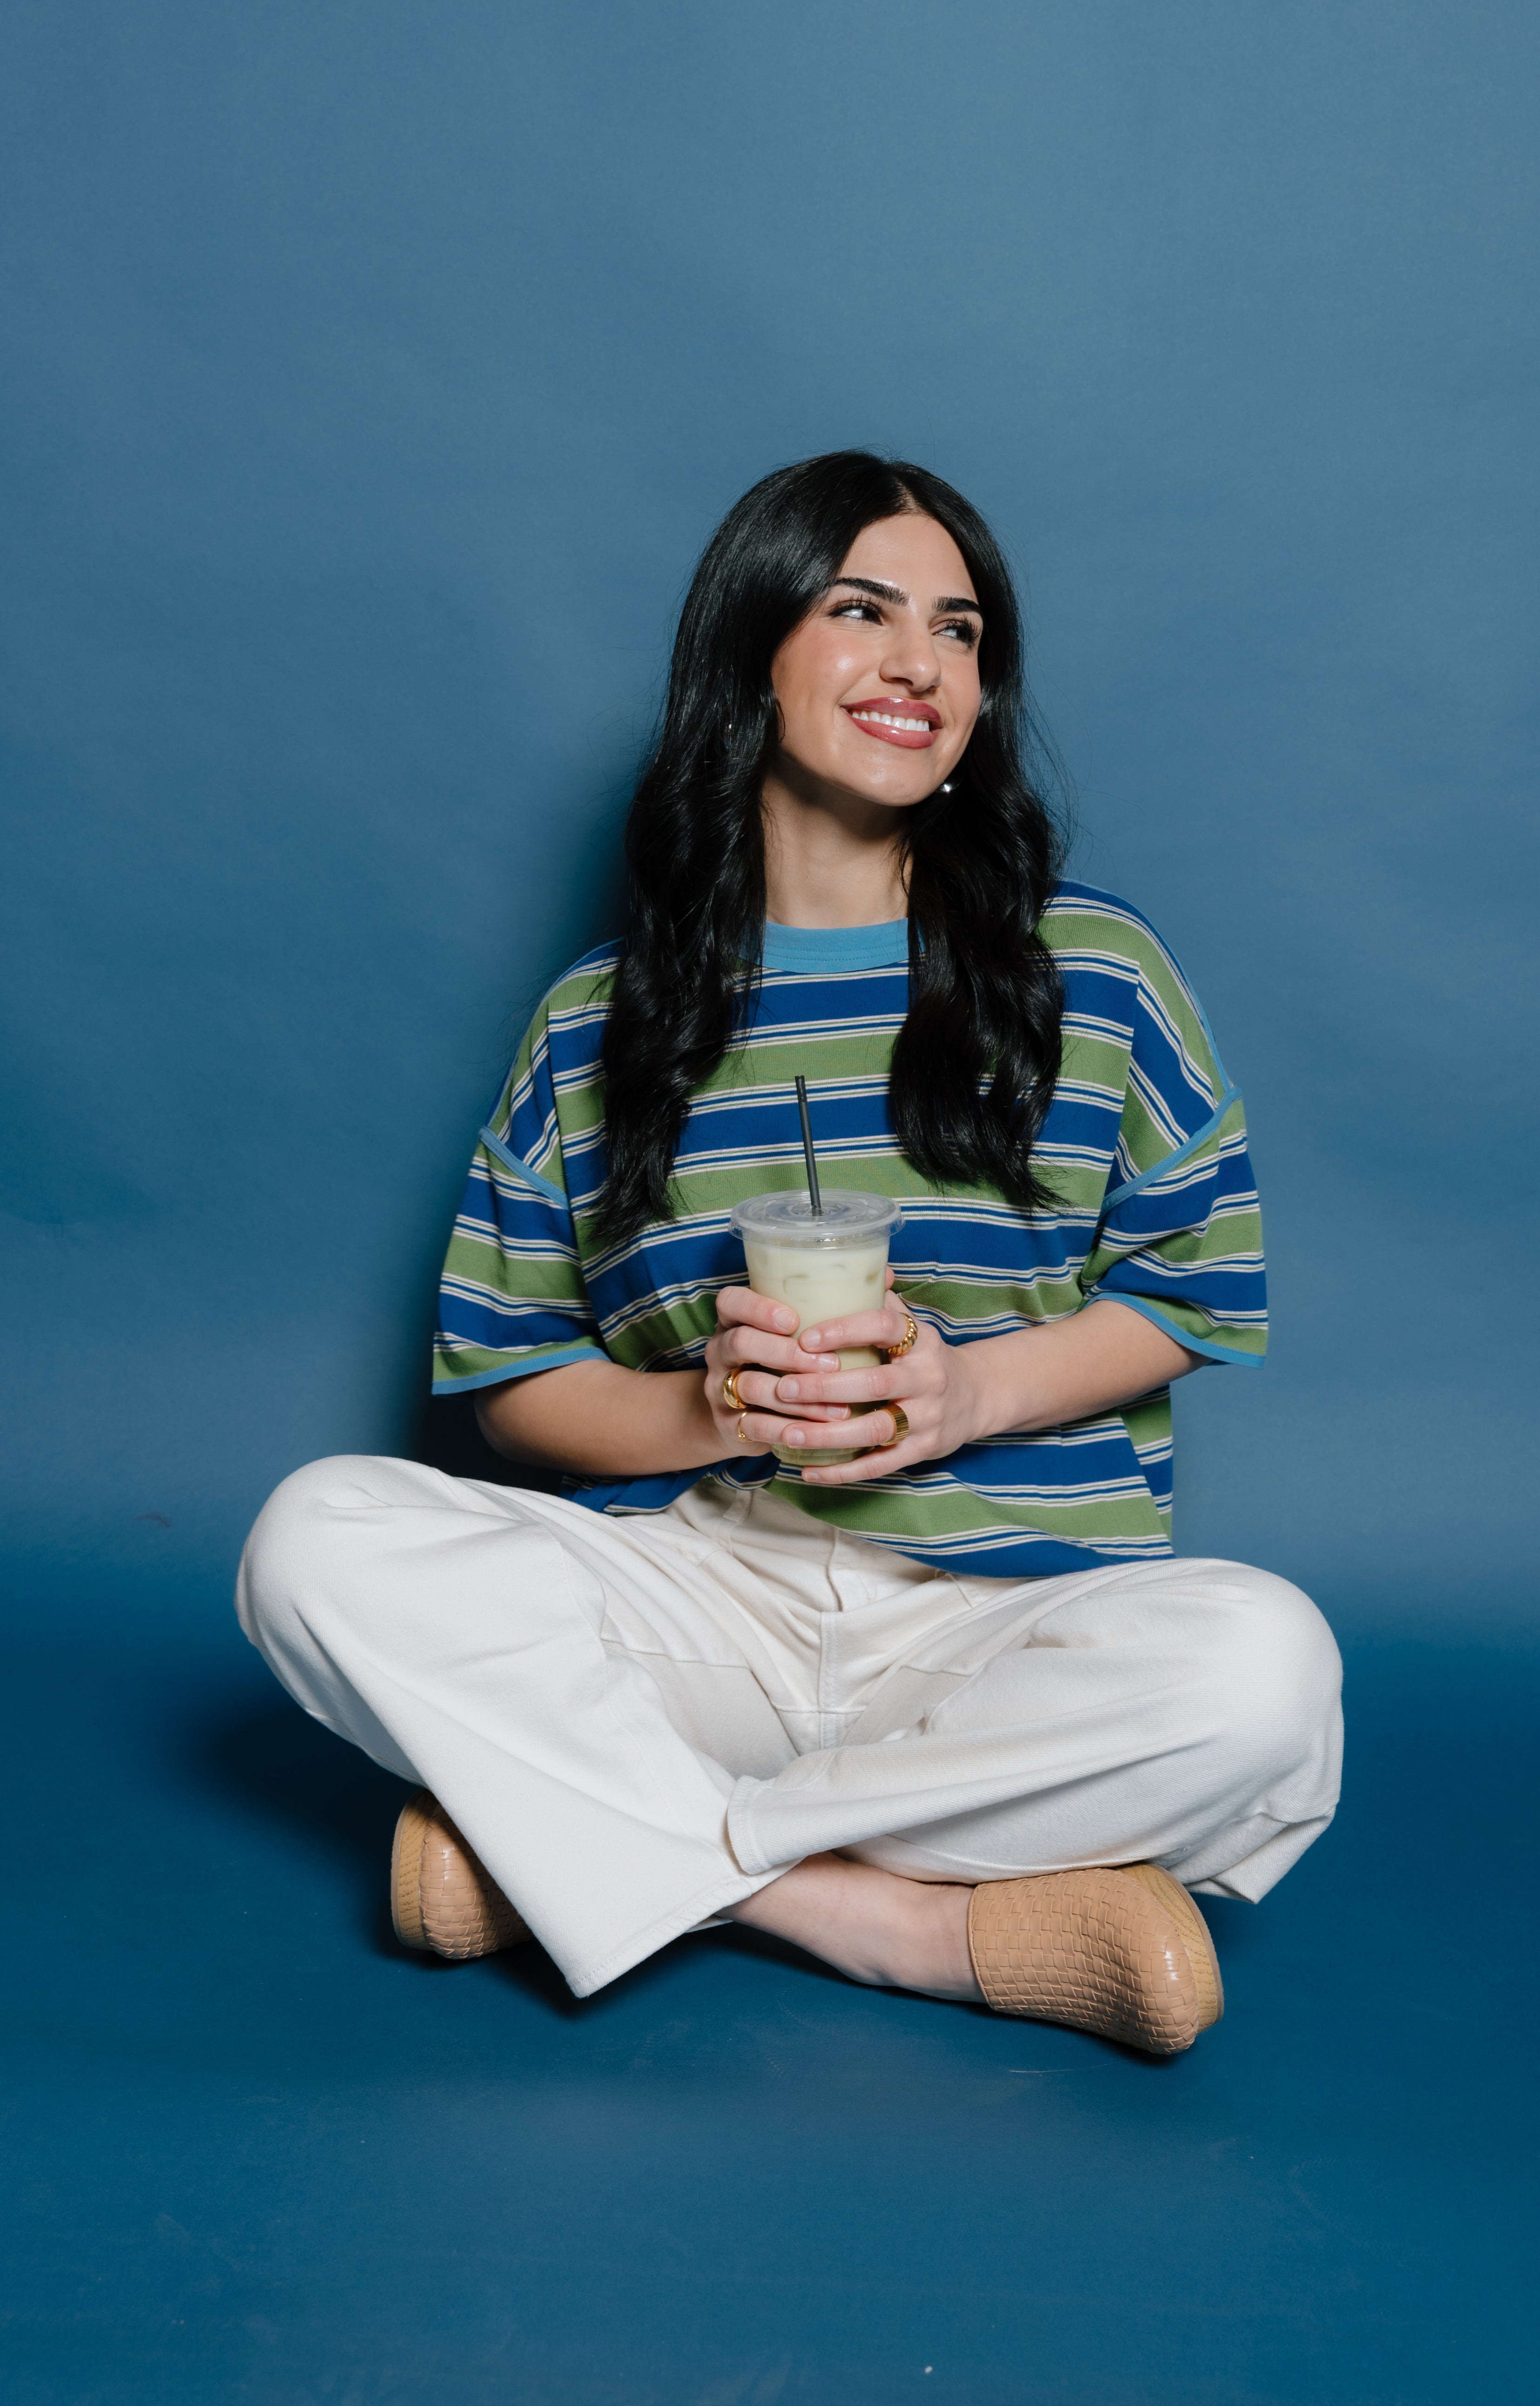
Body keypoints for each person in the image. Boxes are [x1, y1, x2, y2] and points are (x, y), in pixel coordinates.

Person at [237, 452, 1341, 2057]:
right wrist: (712, 1409)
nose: (920, 665)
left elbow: (1191, 1290)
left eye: (959, 632)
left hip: (997, 1625)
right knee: (315, 1541)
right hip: (707, 1597)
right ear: (753, 652)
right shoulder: (599, 1023)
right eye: (862, 611)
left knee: (1262, 1675)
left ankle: (582, 1842)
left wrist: (966, 1398)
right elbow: (516, 1384)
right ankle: (876, 1920)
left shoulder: (1092, 971)